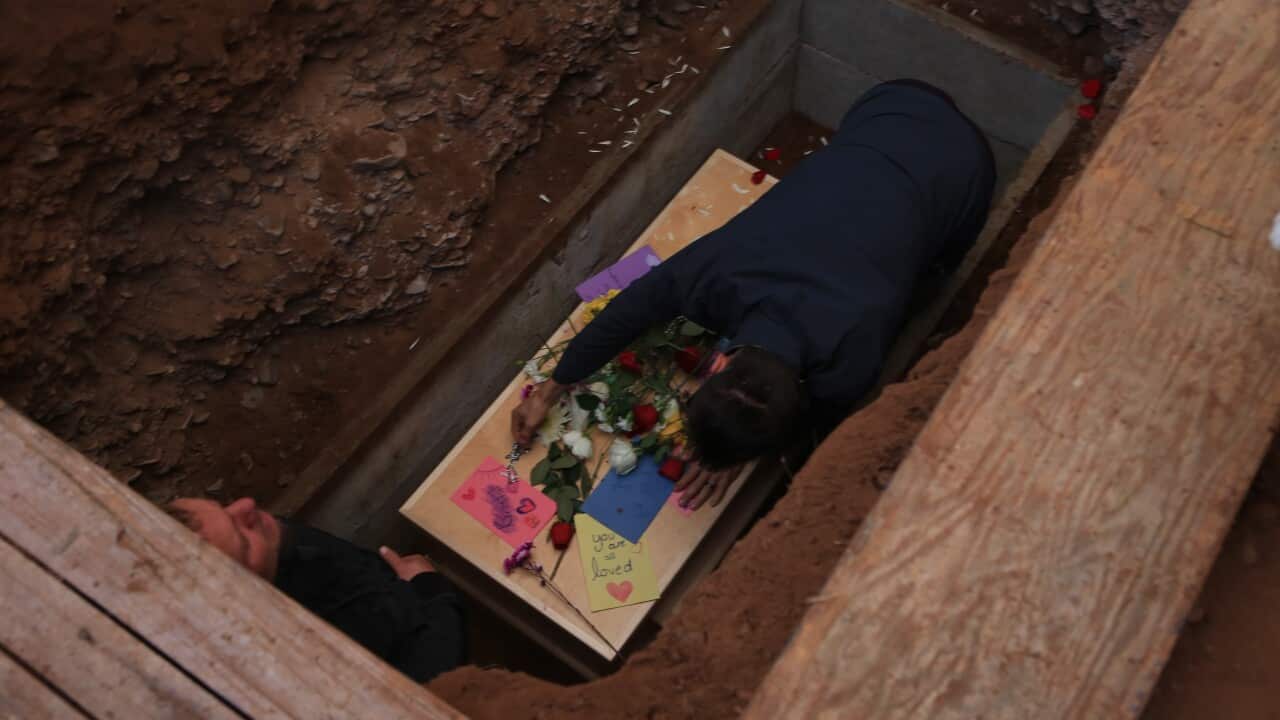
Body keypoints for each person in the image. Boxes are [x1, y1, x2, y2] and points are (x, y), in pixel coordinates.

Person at [512, 79, 995, 510]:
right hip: (888, 107)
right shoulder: (724, 275)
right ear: (717, 366)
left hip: (953, 161)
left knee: (930, 277)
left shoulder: (852, 353)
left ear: (718, 362)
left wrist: (738, 454)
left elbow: (815, 423)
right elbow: (630, 310)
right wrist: (553, 389)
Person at [169, 496, 466, 682]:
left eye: (223, 506)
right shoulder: (320, 658)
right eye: (244, 542)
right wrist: (430, 589)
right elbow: (435, 677)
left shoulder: (274, 542)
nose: (246, 504)